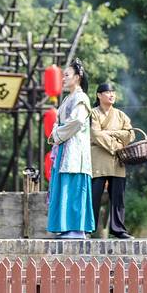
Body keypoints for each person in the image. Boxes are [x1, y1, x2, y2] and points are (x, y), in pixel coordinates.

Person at [47, 58, 95, 239]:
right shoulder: (68, 98)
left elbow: (77, 121)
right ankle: (67, 227)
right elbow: (60, 121)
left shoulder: (81, 98)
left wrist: (57, 134)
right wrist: (56, 132)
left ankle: (76, 228)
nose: (63, 78)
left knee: (74, 188)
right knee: (65, 186)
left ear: (77, 77)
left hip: (75, 151)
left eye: (67, 75)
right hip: (65, 147)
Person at [90, 82, 134, 239]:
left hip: (117, 161)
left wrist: (109, 133)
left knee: (118, 196)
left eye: (113, 92)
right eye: (108, 92)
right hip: (99, 159)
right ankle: (89, 228)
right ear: (99, 95)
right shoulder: (93, 113)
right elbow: (95, 134)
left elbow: (130, 134)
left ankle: (118, 229)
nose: (111, 95)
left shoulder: (121, 115)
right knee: (94, 196)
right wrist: (116, 143)